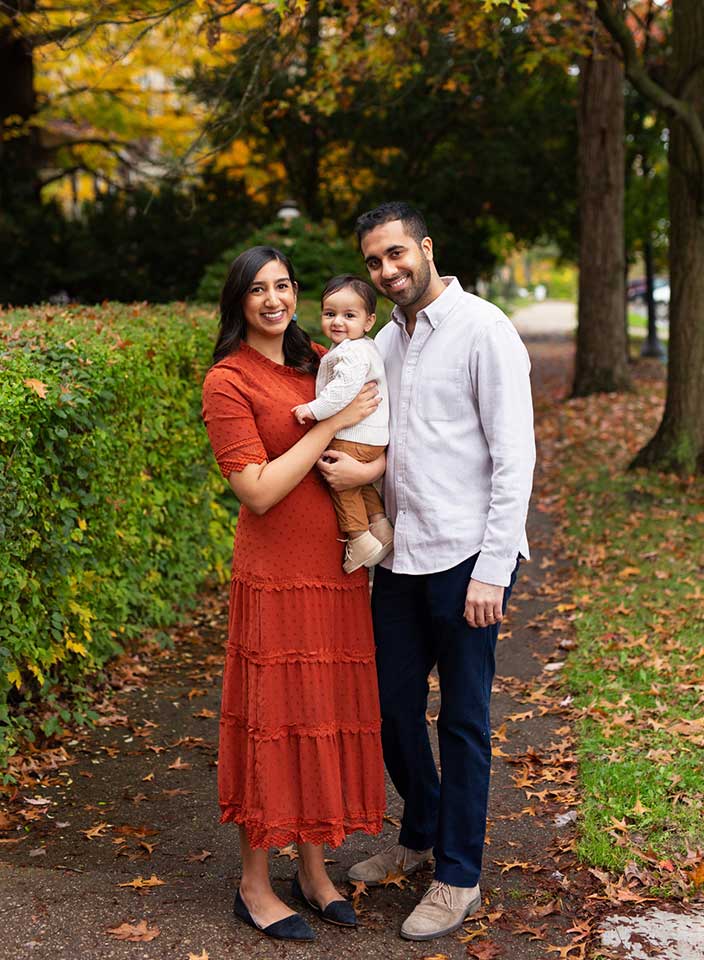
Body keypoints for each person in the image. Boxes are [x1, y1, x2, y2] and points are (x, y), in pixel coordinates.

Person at [317, 202, 536, 941]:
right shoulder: (384, 341)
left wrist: (493, 570)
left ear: (426, 248)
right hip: (400, 555)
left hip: (468, 556)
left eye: (396, 254)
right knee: (392, 708)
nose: (386, 271)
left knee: (465, 720)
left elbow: (515, 457)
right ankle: (421, 834)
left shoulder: (484, 329)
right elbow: (379, 435)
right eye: (374, 262)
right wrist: (358, 469)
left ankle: (458, 874)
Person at [201, 246, 386, 943]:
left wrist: (364, 445)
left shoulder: (320, 354)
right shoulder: (228, 380)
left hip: (336, 568)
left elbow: (375, 422)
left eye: (282, 286)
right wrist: (332, 425)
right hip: (276, 571)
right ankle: (254, 884)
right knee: (273, 719)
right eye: (257, 289)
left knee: (321, 715)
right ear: (238, 301)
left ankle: (313, 871)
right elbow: (258, 490)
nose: (273, 299)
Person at [291, 274, 393, 573]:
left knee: (341, 483)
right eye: (330, 313)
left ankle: (359, 538)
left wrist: (313, 409)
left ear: (368, 321)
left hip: (355, 435)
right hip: (372, 437)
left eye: (349, 315)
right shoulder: (366, 346)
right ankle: (380, 526)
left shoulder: (351, 351)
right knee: (360, 483)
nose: (338, 322)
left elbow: (342, 389)